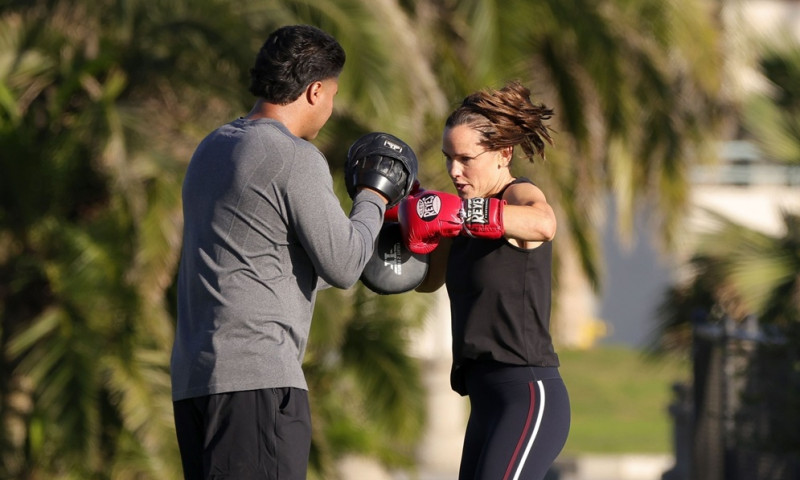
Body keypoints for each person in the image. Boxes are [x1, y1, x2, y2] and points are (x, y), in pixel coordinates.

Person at [170, 25, 416, 480]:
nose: (330, 109)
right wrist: (373, 197)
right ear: (315, 90)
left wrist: (362, 239)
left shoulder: (212, 148)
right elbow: (343, 264)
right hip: (257, 384)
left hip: (196, 382)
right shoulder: (292, 156)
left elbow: (269, 259)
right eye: (332, 96)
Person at [398, 81, 570, 480]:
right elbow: (428, 281)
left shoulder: (516, 194)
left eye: (465, 158)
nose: (454, 171)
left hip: (528, 392)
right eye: (447, 158)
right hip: (485, 397)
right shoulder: (457, 213)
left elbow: (544, 224)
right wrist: (408, 231)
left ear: (502, 154)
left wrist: (465, 214)